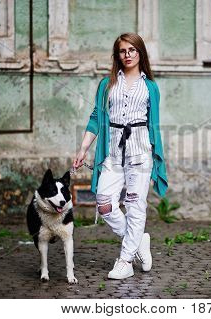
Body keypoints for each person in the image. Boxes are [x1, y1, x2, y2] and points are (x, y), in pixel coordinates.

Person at [72, 33, 168, 280]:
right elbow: (96, 117)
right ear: (117, 55)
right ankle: (138, 241)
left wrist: (157, 158)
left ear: (140, 53)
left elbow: (153, 124)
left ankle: (125, 260)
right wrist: (83, 148)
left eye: (132, 50)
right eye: (123, 51)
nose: (128, 55)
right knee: (104, 202)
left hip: (140, 153)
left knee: (136, 207)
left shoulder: (150, 87)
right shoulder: (107, 85)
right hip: (113, 154)